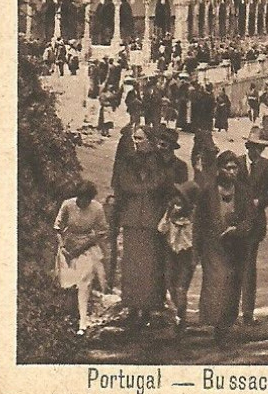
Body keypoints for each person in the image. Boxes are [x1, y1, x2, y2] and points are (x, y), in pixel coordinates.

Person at [194, 150, 253, 344]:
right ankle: (215, 322)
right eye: (227, 168)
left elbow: (250, 219)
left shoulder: (243, 191)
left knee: (233, 285)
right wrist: (198, 247)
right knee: (216, 281)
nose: (232, 171)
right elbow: (199, 221)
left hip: (236, 245)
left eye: (235, 167)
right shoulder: (208, 191)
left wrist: (238, 229)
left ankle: (225, 325)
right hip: (213, 244)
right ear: (219, 169)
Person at [112, 125, 167, 327]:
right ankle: (132, 308)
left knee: (150, 266)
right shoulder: (128, 160)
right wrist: (144, 189)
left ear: (150, 141)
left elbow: (161, 184)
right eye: (135, 139)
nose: (136, 142)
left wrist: (143, 189)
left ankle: (148, 309)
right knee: (132, 265)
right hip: (133, 220)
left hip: (151, 221)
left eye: (140, 139)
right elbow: (124, 184)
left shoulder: (158, 160)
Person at [54, 180, 108, 336]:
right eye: (81, 198)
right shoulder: (68, 205)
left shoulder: (97, 208)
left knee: (84, 284)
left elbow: (103, 230)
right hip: (68, 247)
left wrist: (87, 243)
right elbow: (57, 227)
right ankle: (67, 318)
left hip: (87, 249)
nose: (83, 202)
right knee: (66, 284)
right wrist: (63, 246)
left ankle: (82, 323)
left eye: (87, 199)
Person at [239, 127, 268, 326]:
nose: (256, 151)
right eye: (253, 147)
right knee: (233, 265)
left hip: (255, 223)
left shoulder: (266, 166)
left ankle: (247, 311)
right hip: (235, 221)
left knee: (249, 267)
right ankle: (230, 309)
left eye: (260, 148)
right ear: (247, 146)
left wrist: (259, 202)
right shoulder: (235, 163)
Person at [157, 180, 200, 330]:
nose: (176, 202)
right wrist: (169, 214)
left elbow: (195, 239)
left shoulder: (192, 219)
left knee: (181, 287)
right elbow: (161, 229)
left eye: (181, 199)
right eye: (175, 198)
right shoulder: (170, 215)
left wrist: (195, 257)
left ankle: (181, 317)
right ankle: (177, 313)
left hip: (185, 255)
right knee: (170, 283)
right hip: (171, 252)